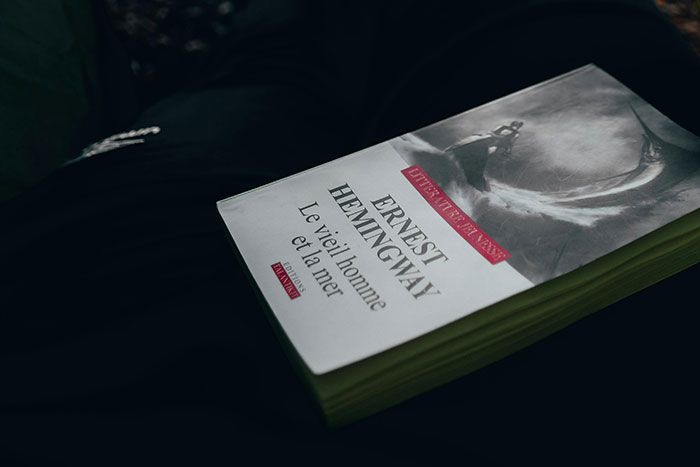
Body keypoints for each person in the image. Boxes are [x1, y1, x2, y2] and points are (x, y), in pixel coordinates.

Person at [445, 121, 524, 192]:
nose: (515, 127)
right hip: (489, 139)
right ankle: (457, 152)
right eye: (514, 125)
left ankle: (477, 176)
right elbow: (492, 132)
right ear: (511, 124)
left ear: (518, 127)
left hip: (498, 144)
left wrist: (507, 151)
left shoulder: (516, 133)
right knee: (478, 142)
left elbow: (511, 142)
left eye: (517, 126)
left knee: (486, 153)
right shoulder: (503, 127)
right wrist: (489, 135)